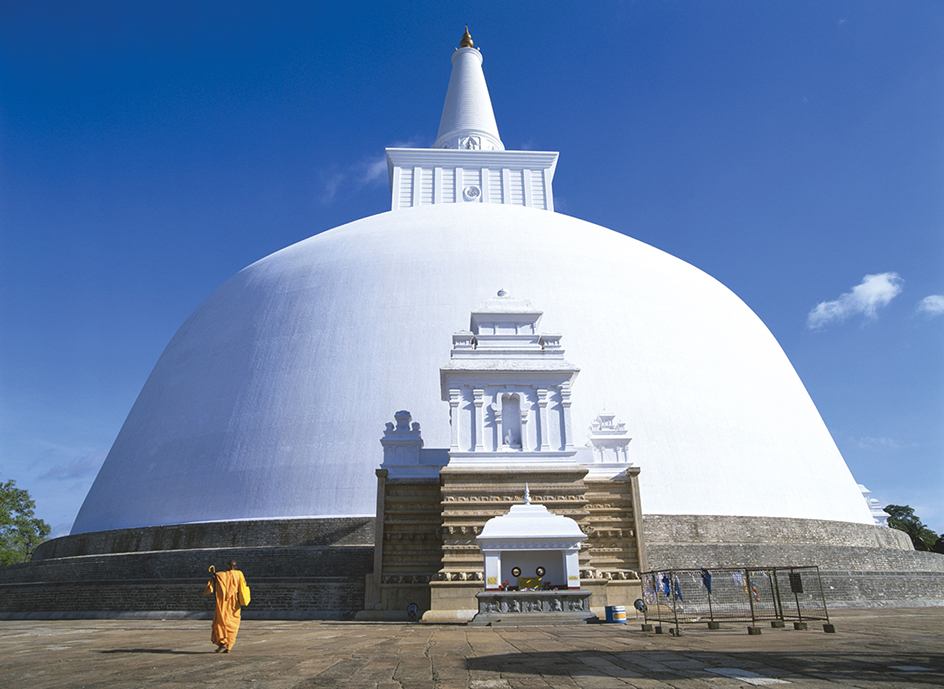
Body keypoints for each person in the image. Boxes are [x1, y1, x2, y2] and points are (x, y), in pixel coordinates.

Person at [204, 559, 247, 653]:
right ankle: (228, 647)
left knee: (220, 623)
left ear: (228, 566)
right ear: (235, 567)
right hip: (234, 604)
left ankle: (222, 642)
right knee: (233, 626)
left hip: (223, 604)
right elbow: (243, 586)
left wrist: (215, 577)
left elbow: (217, 578)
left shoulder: (222, 575)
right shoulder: (239, 575)